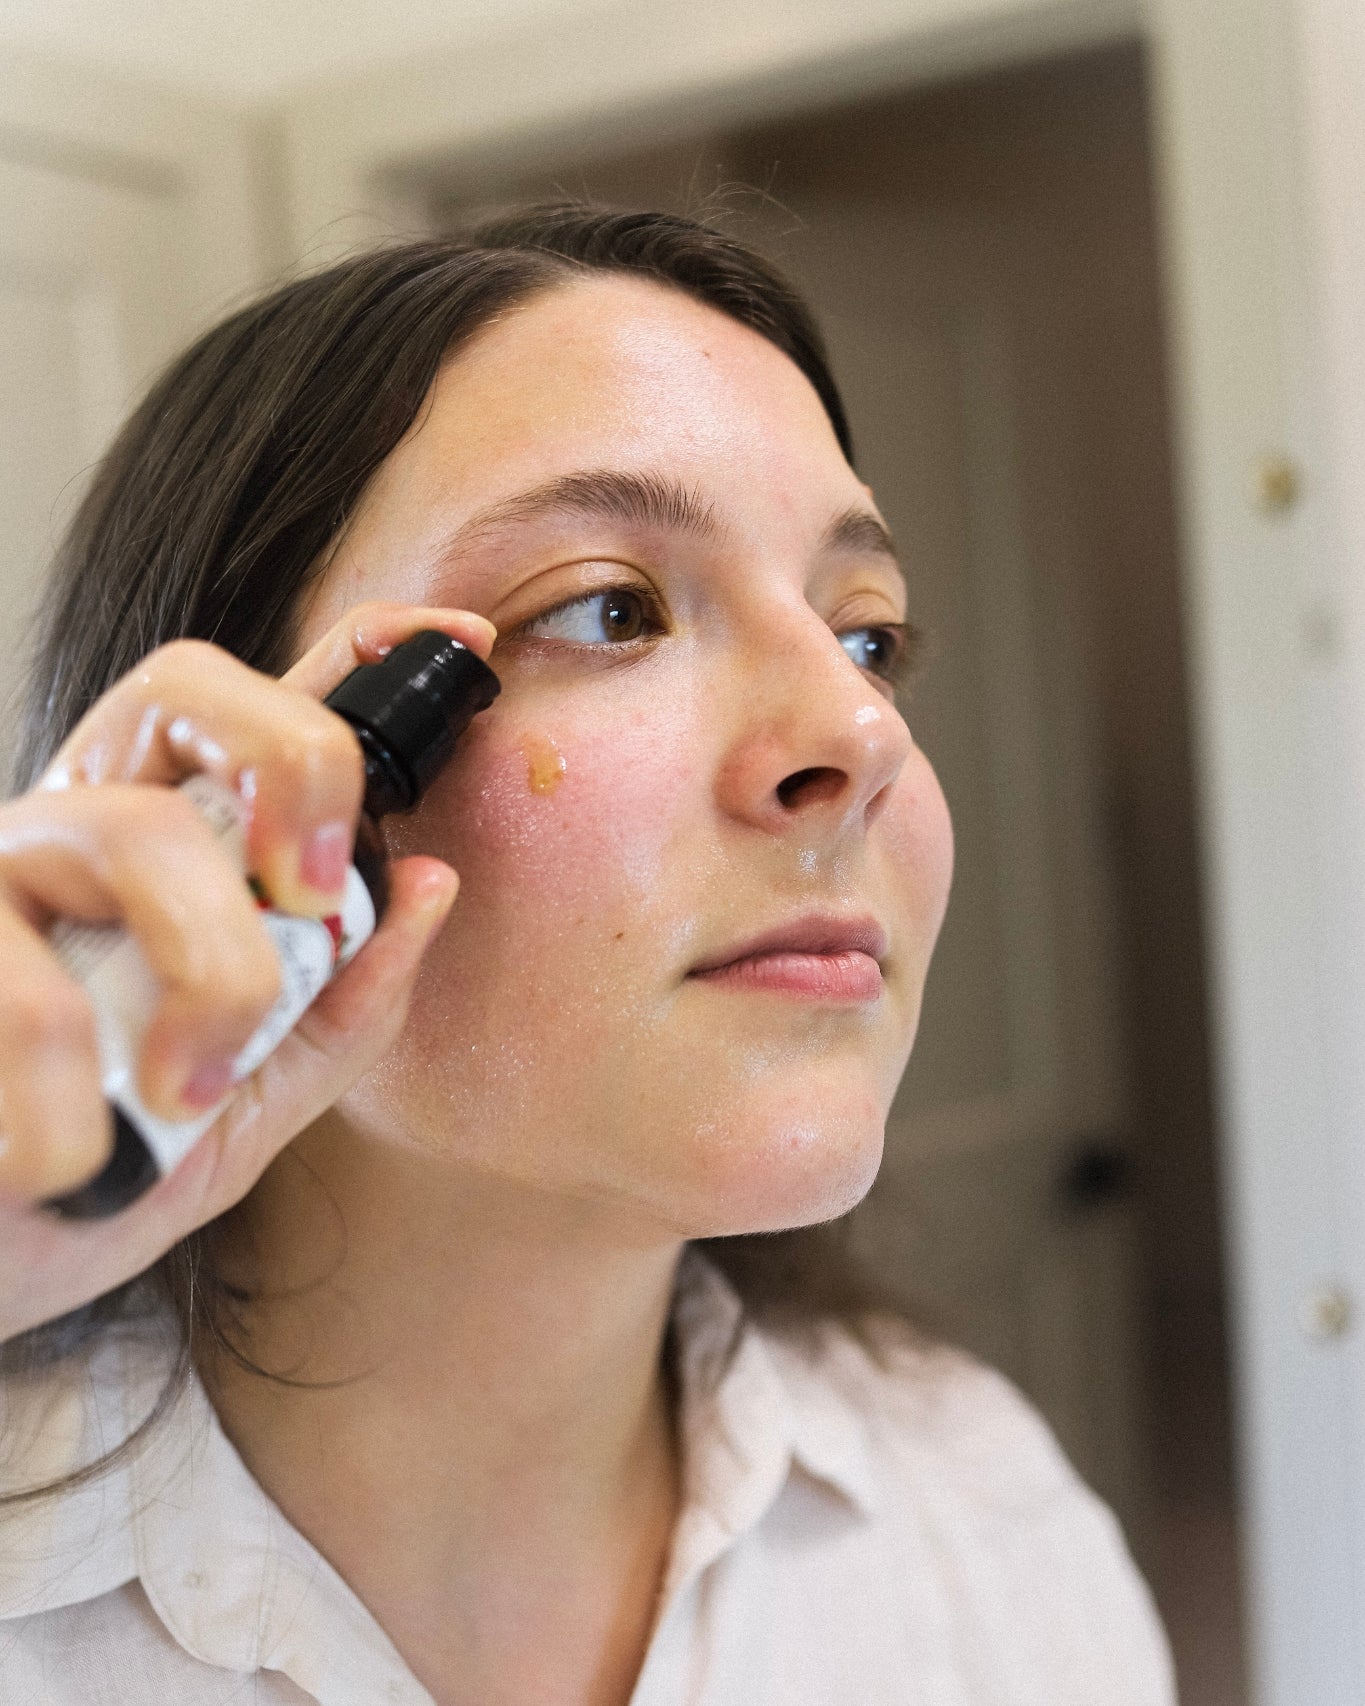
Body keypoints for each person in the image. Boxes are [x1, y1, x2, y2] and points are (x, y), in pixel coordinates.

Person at [0, 205, 1174, 1704]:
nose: (860, 732)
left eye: (867, 634)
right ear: (234, 781)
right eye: (608, 608)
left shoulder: (978, 1516)